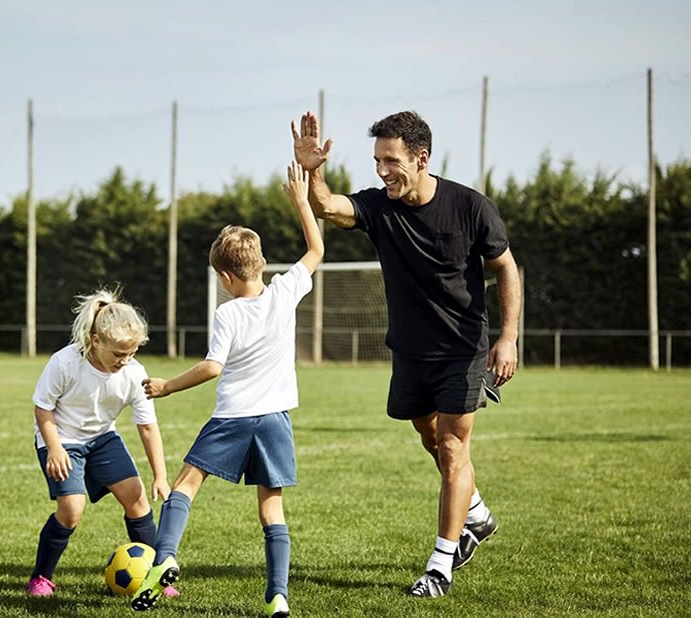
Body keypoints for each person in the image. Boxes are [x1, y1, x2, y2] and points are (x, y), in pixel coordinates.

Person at [291, 110, 521, 597]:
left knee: (455, 447)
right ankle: (476, 514)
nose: (381, 171)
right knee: (430, 435)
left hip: (463, 349)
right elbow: (329, 205)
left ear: (421, 157)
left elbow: (507, 269)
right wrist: (314, 170)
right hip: (410, 352)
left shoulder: (471, 207)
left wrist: (508, 337)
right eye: (377, 160)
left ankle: (440, 566)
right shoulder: (380, 207)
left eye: (391, 161)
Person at [131, 161, 323, 617]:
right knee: (271, 510)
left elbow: (213, 367)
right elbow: (315, 247)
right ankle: (278, 597)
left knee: (185, 484)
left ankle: (166, 558)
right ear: (260, 264)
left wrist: (168, 387)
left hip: (233, 416)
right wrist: (300, 200)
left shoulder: (227, 313)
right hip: (276, 419)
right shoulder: (284, 292)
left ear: (225, 277)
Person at [26, 287, 176, 598]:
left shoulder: (135, 373)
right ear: (95, 341)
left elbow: (148, 427)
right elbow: (43, 407)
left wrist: (160, 475)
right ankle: (41, 577)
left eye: (132, 353)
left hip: (102, 439)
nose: (126, 360)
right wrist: (54, 448)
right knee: (71, 510)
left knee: (136, 500)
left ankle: (155, 577)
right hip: (61, 437)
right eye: (119, 353)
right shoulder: (65, 362)